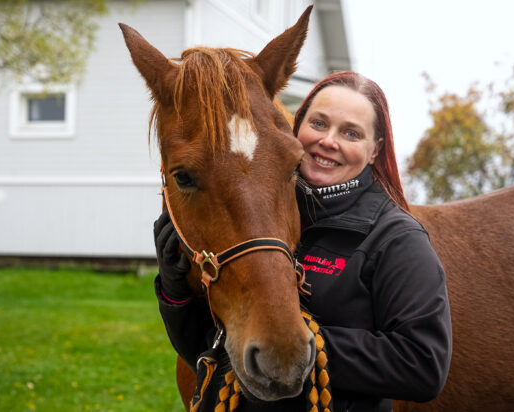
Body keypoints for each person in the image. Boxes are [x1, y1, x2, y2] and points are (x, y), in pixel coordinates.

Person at [154, 71, 452, 411]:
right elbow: (207, 348)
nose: (329, 141)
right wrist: (175, 293)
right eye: (320, 123)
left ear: (374, 151)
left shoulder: (397, 238)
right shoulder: (262, 217)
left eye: (351, 132)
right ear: (295, 127)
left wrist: (302, 345)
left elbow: (424, 364)